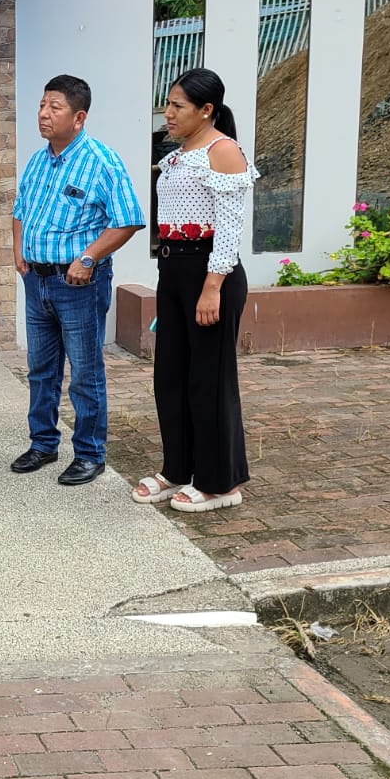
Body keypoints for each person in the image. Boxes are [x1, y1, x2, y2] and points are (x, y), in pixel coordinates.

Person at [133, 68, 257, 513]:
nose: (168, 113)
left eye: (177, 106)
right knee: (170, 377)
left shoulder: (223, 151)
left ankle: (219, 482)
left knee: (209, 380)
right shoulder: (178, 155)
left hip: (211, 274)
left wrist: (212, 287)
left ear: (206, 110)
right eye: (167, 104)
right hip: (175, 273)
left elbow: (229, 227)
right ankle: (177, 469)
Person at [11, 75, 144, 486]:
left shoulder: (101, 161)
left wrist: (88, 258)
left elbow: (128, 219)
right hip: (37, 282)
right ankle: (43, 443)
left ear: (79, 117)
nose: (43, 114)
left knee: (85, 373)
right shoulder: (39, 160)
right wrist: (18, 249)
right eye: (42, 105)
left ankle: (89, 453)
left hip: (79, 285)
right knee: (40, 369)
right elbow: (20, 209)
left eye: (55, 107)